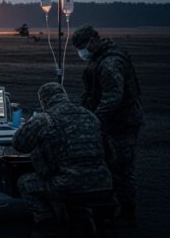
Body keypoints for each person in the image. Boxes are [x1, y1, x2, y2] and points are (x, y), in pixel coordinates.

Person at [14, 82, 112, 236]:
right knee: (74, 187)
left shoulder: (44, 119)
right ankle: (81, 218)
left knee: (25, 183)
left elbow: (19, 144)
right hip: (103, 183)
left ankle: (46, 223)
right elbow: (112, 155)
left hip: (69, 184)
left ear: (43, 101)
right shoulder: (90, 115)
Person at [73, 25, 143, 226]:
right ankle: (110, 208)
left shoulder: (110, 63)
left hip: (122, 122)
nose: (81, 51)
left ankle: (128, 212)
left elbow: (112, 98)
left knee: (121, 165)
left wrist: (94, 120)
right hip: (113, 121)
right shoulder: (101, 58)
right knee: (109, 164)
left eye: (82, 46)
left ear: (93, 41)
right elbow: (92, 93)